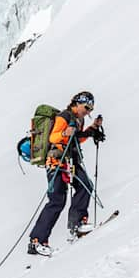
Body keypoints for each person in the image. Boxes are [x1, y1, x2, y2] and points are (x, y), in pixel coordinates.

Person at [27, 90, 106, 255]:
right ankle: (36, 241)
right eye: (86, 106)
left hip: (70, 161)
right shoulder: (64, 116)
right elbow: (53, 138)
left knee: (85, 186)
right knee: (57, 201)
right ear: (77, 103)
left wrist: (92, 130)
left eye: (90, 109)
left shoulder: (79, 119)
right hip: (57, 162)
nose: (88, 111)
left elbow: (76, 138)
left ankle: (76, 224)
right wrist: (65, 133)